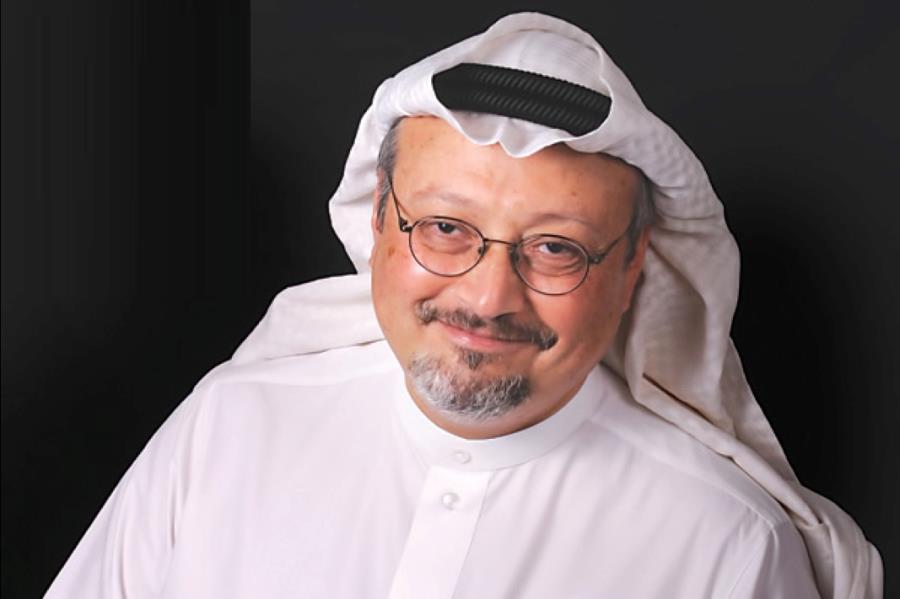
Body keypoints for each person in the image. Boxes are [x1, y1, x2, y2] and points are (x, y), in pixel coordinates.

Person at [45, 12, 882, 599]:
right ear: (379, 220)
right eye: (446, 228)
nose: (488, 297)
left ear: (631, 269)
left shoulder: (728, 545)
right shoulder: (229, 428)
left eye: (554, 248)